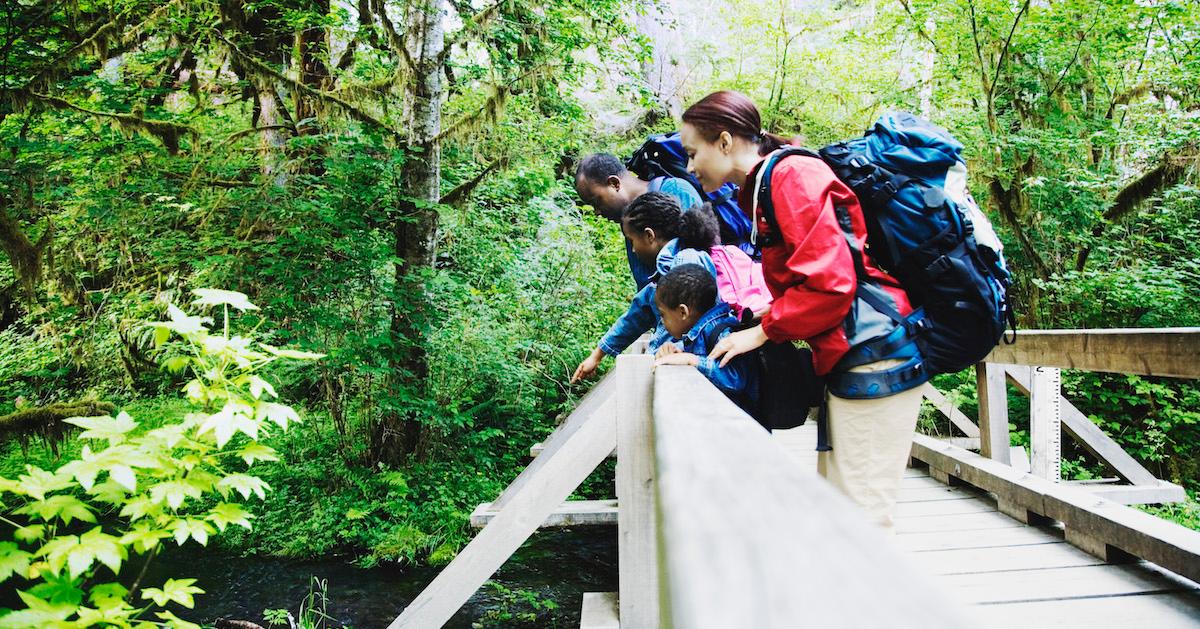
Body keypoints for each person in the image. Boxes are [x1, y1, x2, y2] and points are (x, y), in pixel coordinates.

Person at [684, 90, 924, 529]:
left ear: (723, 142)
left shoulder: (791, 176)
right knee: (838, 511)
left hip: (877, 353)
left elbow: (831, 283)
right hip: (851, 356)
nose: (689, 166)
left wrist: (765, 329)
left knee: (861, 517)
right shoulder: (764, 188)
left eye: (692, 151)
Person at [571, 192, 715, 383]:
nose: (632, 249)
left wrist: (670, 350)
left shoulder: (684, 262)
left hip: (697, 374)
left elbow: (689, 326)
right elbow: (638, 313)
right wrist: (597, 355)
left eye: (632, 240)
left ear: (649, 235)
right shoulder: (666, 271)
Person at [575, 153, 703, 291]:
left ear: (614, 183)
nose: (597, 212)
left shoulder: (675, 191)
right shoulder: (630, 221)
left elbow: (697, 271)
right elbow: (645, 285)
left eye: (596, 201)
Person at [654, 263, 759, 416]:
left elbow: (736, 378)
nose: (662, 321)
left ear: (683, 312)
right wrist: (677, 351)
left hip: (742, 429)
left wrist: (693, 360)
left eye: (663, 314)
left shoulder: (722, 332)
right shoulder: (703, 330)